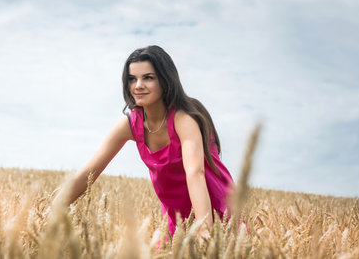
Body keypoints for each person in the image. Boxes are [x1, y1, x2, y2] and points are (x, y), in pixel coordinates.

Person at [66, 45, 234, 238]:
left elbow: (195, 172)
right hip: (175, 220)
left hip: (214, 213)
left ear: (165, 80)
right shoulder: (130, 124)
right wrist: (49, 212)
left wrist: (205, 230)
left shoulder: (184, 118)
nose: (138, 85)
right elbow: (87, 174)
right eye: (132, 79)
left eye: (148, 77)